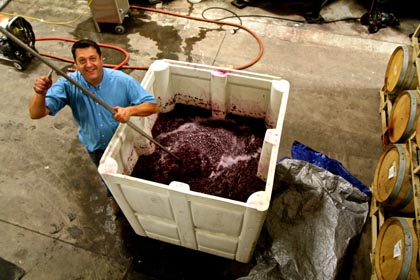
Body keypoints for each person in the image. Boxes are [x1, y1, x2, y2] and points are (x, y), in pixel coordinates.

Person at [29, 39, 159, 214]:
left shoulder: (122, 81)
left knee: (135, 173)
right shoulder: (68, 84)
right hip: (97, 148)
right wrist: (40, 93)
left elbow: (152, 106)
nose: (89, 65)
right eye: (82, 61)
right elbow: (36, 113)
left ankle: (140, 201)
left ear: (101, 59)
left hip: (124, 141)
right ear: (75, 64)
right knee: (110, 180)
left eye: (93, 58)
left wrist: (130, 110)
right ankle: (117, 202)